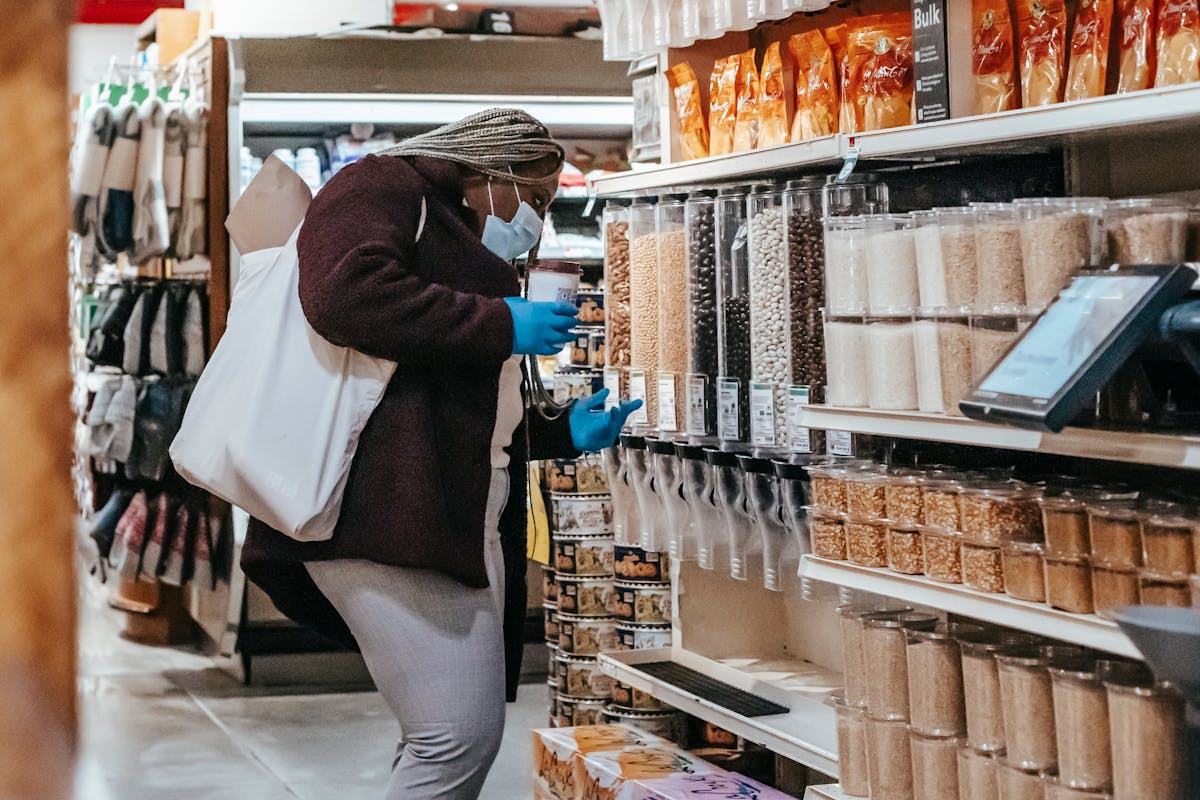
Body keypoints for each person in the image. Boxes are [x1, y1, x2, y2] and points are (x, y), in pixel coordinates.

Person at [240, 109, 640, 800]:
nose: (537, 222)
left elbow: (439, 397)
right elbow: (342, 293)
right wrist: (500, 321)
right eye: (535, 200)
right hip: (378, 513)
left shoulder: (452, 226)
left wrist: (557, 432)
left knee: (444, 731)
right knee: (455, 735)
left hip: (447, 512)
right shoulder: (380, 184)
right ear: (492, 173)